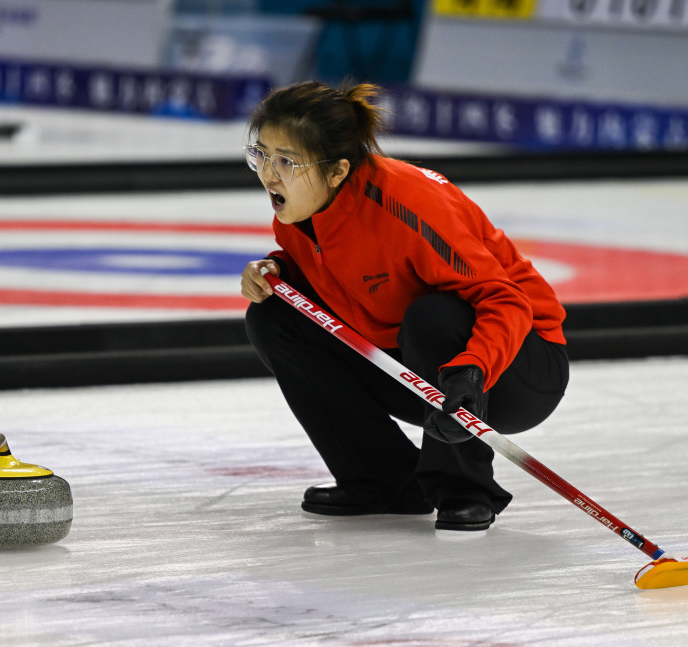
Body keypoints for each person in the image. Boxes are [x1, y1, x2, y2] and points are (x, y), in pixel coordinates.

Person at [240, 80, 569, 531]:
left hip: (512, 371)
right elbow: (332, 266)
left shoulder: (408, 203)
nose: (268, 174)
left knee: (434, 315)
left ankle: (465, 488)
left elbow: (505, 300)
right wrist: (276, 271)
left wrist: (474, 370)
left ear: (337, 171)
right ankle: (384, 480)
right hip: (417, 370)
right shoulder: (302, 207)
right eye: (261, 154)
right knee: (276, 315)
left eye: (286, 162)